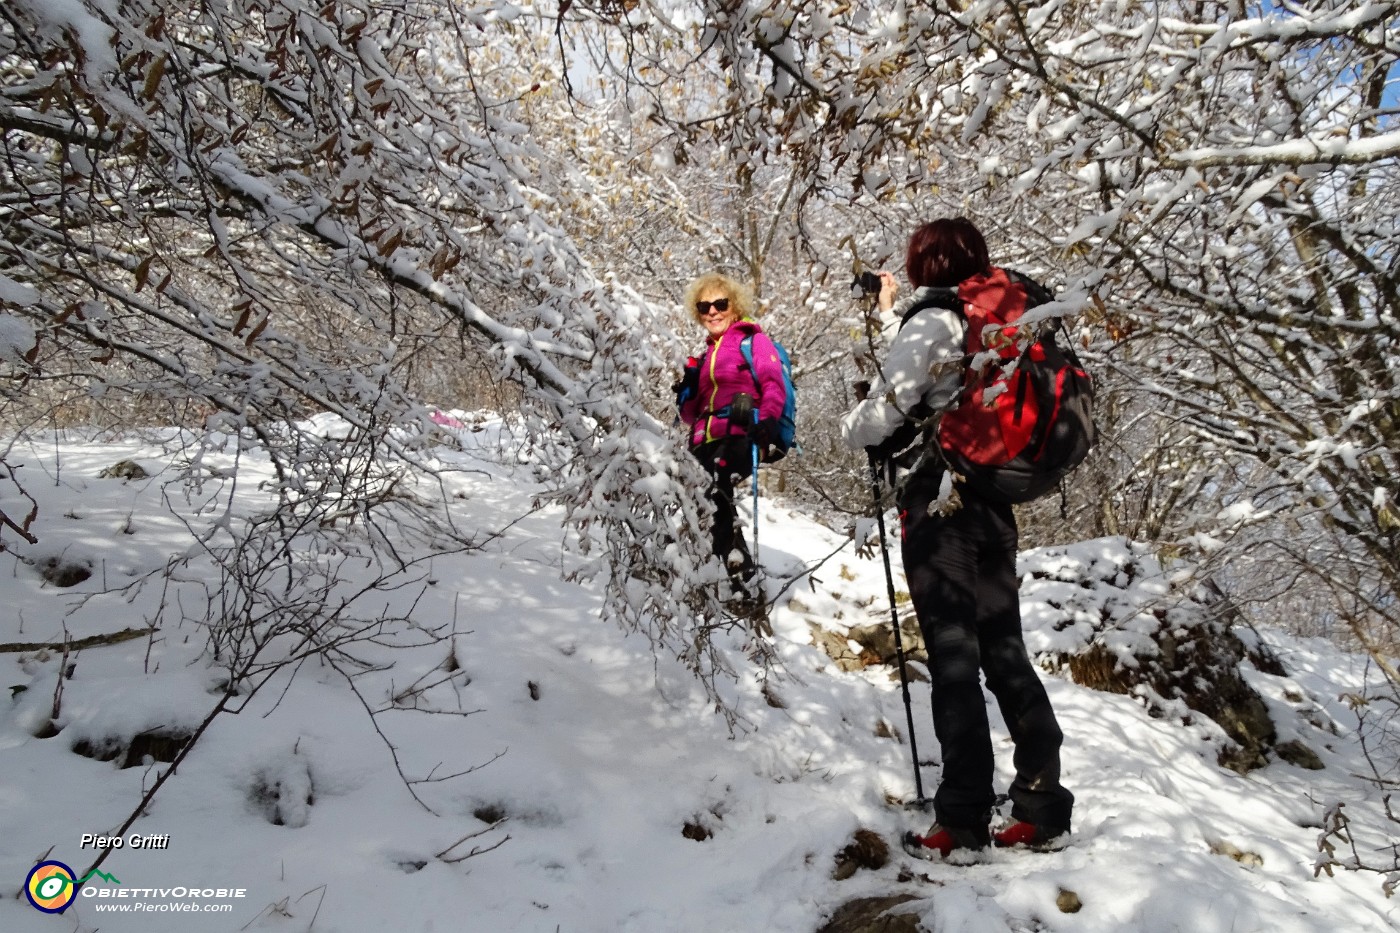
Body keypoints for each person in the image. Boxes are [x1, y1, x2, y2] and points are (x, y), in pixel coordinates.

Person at [841, 218, 1074, 856]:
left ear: (924, 263)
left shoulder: (935, 319)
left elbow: (891, 405)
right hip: (994, 500)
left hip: (938, 504)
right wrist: (892, 315)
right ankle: (1041, 804)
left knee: (952, 658)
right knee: (1004, 650)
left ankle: (963, 818)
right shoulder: (996, 321)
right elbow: (946, 378)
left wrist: (851, 425)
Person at [675, 273, 787, 597]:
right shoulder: (705, 356)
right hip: (703, 439)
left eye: (720, 303)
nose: (712, 311)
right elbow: (687, 416)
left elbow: (772, 385)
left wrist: (766, 422)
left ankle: (737, 575)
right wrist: (687, 389)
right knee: (696, 495)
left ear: (735, 306)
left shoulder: (752, 341)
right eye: (704, 306)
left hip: (742, 433)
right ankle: (726, 570)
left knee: (715, 486)